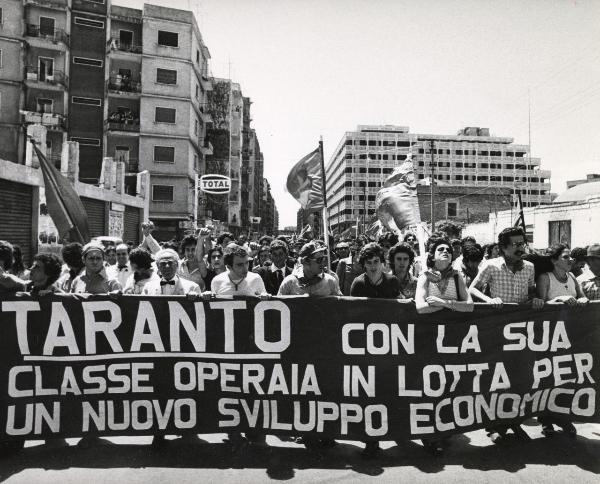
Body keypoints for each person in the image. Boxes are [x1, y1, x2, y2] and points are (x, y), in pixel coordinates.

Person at [469, 226, 543, 444]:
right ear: (503, 248)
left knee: (519, 379)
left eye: (523, 243)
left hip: (520, 333)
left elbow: (531, 293)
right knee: (495, 380)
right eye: (516, 244)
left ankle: (514, 423)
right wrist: (489, 300)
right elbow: (473, 289)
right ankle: (493, 427)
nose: (521, 248)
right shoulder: (491, 266)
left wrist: (536, 299)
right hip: (496, 330)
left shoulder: (529, 268)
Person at [348, 242, 400, 458]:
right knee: (368, 396)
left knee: (389, 391)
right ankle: (371, 440)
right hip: (364, 349)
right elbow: (350, 315)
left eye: (376, 262)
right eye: (368, 263)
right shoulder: (357, 284)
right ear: (363, 264)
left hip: (389, 346)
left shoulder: (392, 281)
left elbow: (399, 310)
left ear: (382, 262)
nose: (372, 266)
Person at [535, 244, 588, 438]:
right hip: (549, 339)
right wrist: (559, 300)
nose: (571, 260)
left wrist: (582, 300)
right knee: (548, 380)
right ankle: (547, 420)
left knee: (569, 379)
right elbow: (539, 303)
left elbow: (581, 298)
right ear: (554, 260)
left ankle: (564, 418)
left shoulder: (573, 277)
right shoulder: (545, 278)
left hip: (571, 338)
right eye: (566, 257)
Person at [415, 238, 474, 315]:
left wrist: (443, 303)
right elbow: (420, 307)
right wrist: (451, 306)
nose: (445, 251)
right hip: (430, 325)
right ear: (432, 257)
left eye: (449, 251)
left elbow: (470, 306)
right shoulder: (425, 276)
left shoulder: (456, 275)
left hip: (453, 325)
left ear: (451, 259)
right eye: (441, 249)